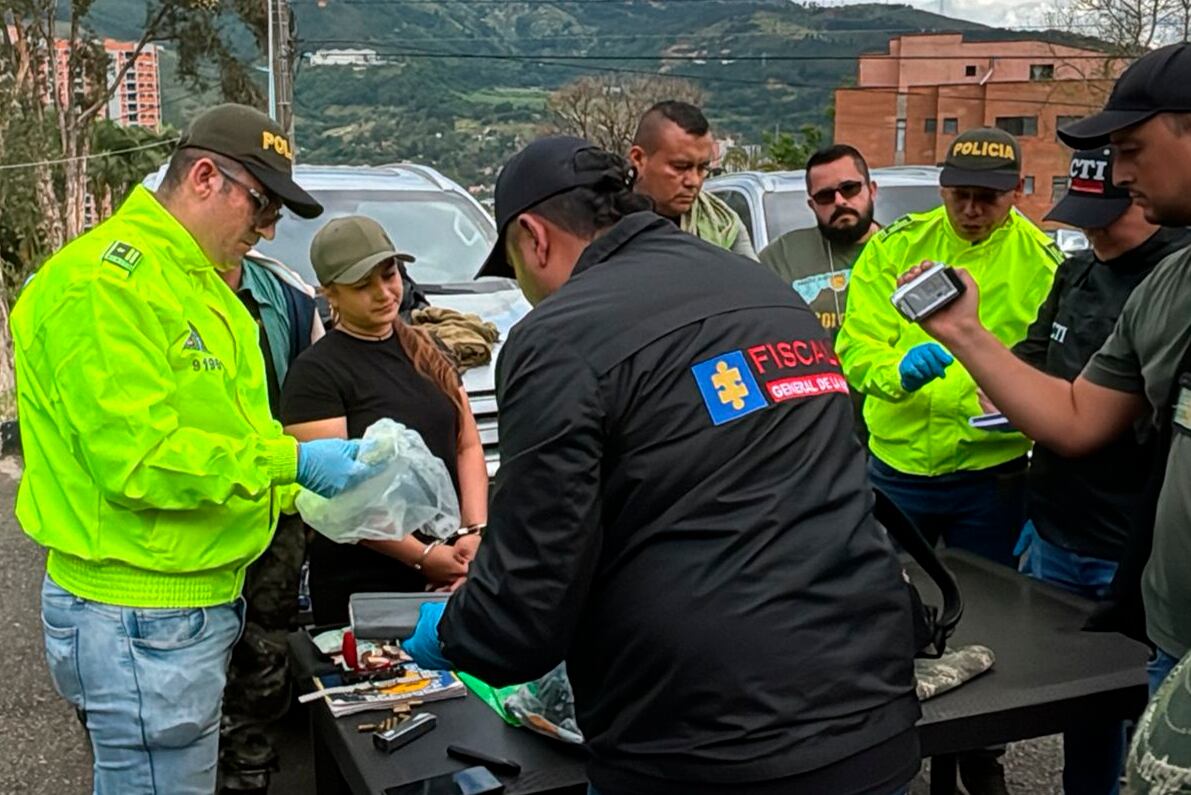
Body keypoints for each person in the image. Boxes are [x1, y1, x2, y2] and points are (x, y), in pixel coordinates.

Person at [403, 136, 920, 795]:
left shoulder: (558, 336)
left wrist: (453, 630)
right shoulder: (768, 293)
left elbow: (525, 612)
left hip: (701, 740)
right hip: (870, 710)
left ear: (532, 237)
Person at [11, 103, 373, 795]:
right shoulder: (103, 284)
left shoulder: (198, 279)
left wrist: (311, 487)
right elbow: (140, 461)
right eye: (262, 205)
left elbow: (231, 429)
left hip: (186, 607)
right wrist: (290, 463)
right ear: (205, 176)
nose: (268, 229)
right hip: (138, 614)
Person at [900, 42, 1191, 699]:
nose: (1116, 172)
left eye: (1131, 148)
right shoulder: (1169, 285)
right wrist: (962, 333)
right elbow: (1076, 418)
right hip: (1170, 632)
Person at [1009, 146, 1190, 795]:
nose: (1091, 231)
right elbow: (1039, 357)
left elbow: (1097, 416)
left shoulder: (1167, 282)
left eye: (1104, 218)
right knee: (1078, 698)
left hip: (1128, 537)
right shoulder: (1077, 273)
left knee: (1143, 706)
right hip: (1058, 522)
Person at [836, 127, 1062, 569]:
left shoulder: (1045, 265)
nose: (971, 210)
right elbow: (855, 345)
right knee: (887, 593)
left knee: (991, 605)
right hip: (897, 466)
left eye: (987, 197)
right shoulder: (896, 246)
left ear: (1017, 191)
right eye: (959, 195)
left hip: (992, 475)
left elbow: (1060, 373)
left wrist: (1018, 404)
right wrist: (897, 369)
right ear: (942, 187)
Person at [280, 214, 488, 626]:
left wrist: (474, 533)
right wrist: (423, 557)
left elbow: (466, 442)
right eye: (362, 285)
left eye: (389, 274)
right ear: (330, 293)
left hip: (455, 575)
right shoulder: (315, 375)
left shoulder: (426, 348)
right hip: (366, 587)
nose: (383, 293)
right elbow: (332, 498)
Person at [218, 251, 325, 794]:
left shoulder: (284, 295)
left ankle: (250, 769)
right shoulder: (155, 291)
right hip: (191, 517)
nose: (267, 225)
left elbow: (307, 388)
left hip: (274, 511)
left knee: (266, 647)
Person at [758, 144, 880, 338]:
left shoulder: (901, 248)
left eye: (849, 188)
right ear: (812, 205)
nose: (839, 201)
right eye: (825, 196)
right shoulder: (782, 256)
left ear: (872, 191)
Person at [629, 100, 758, 259]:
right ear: (639, 158)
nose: (694, 181)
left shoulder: (723, 225)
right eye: (680, 166)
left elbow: (755, 281)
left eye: (703, 168)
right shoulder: (601, 221)